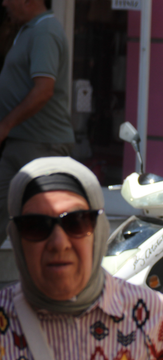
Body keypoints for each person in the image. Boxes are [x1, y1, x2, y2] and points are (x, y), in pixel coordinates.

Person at [0, 157, 163, 360]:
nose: (59, 244)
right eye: (35, 226)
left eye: (76, 222)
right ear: (16, 238)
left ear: (99, 231)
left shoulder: (152, 314)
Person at [0, 0, 74, 247]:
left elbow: (44, 89)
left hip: (41, 145)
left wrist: (6, 124)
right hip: (22, 142)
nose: (4, 3)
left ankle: (52, 282)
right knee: (7, 214)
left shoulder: (46, 30)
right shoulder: (29, 29)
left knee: (43, 220)